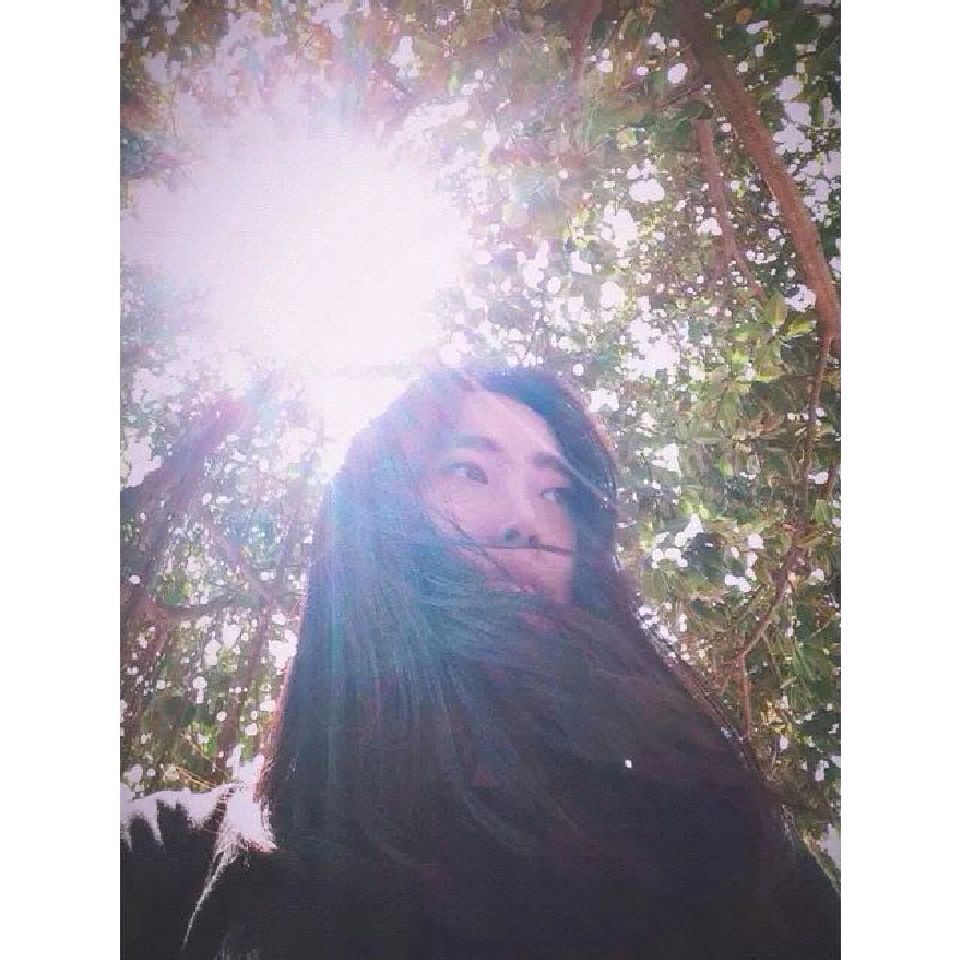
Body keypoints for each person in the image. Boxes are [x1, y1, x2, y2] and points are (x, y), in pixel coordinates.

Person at [122, 365, 840, 959]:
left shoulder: (720, 838)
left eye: (556, 492)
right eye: (469, 471)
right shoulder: (167, 860)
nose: (526, 520)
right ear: (370, 520)